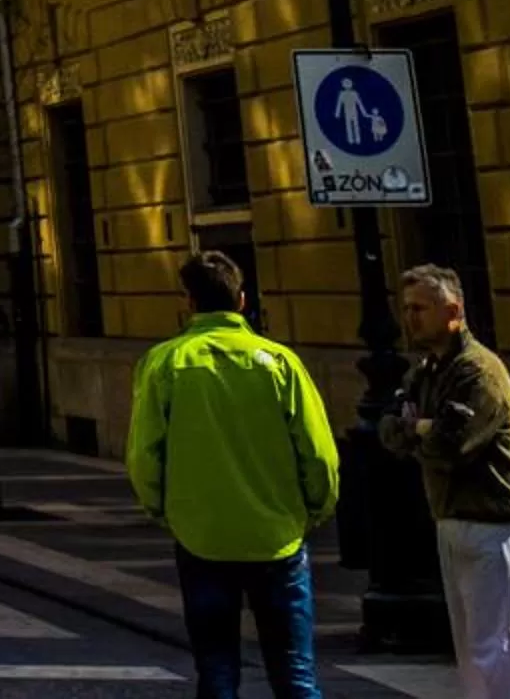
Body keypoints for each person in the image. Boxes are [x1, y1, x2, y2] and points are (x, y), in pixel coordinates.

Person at [126, 249, 339, 699]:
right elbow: (318, 453)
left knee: (217, 670)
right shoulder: (279, 362)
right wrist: (315, 508)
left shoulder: (165, 363)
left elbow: (144, 455)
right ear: (242, 300)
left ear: (188, 302)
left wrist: (161, 509)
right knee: (295, 672)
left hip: (201, 535)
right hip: (277, 534)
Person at [383, 263, 510, 699]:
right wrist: (420, 428)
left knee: (500, 649)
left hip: (495, 524)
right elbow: (390, 431)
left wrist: (418, 429)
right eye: (407, 308)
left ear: (452, 312)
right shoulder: (427, 371)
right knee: (471, 651)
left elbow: (452, 445)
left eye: (420, 309)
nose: (410, 318)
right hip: (451, 518)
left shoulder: (479, 372)